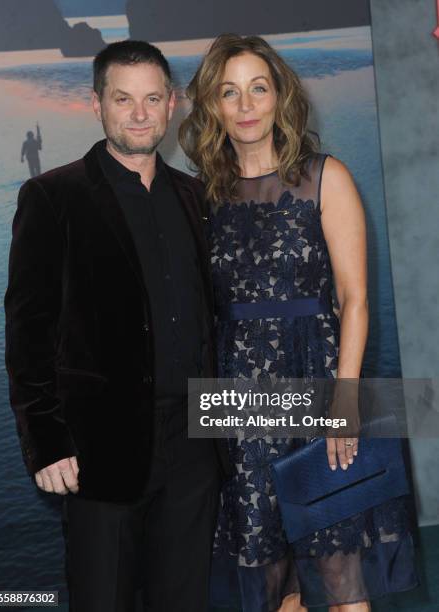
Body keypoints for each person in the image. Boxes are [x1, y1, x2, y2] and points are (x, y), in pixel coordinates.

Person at [179, 34, 418, 612]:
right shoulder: (202, 197)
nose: (245, 105)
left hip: (319, 383)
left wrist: (345, 399)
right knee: (272, 583)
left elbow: (354, 298)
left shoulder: (325, 176)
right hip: (240, 405)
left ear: (279, 95)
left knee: (342, 579)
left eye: (258, 88)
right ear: (212, 105)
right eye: (228, 92)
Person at [5, 40, 227, 612]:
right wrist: (46, 442)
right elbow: (29, 333)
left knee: (184, 599)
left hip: (196, 445)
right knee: (102, 598)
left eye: (152, 98)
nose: (138, 113)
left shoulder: (196, 196)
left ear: (172, 104)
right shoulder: (52, 197)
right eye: (122, 98)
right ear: (96, 104)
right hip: (99, 449)